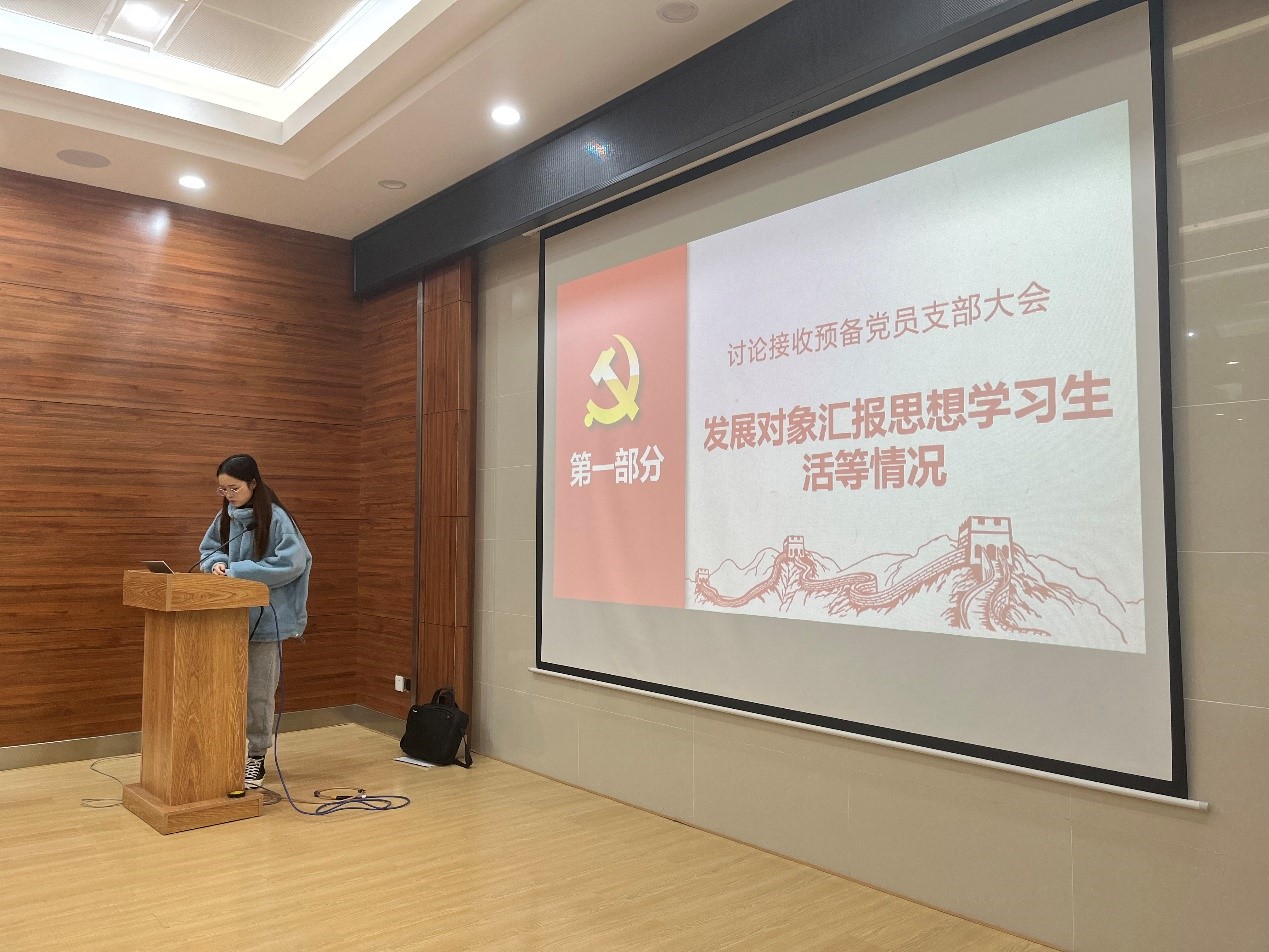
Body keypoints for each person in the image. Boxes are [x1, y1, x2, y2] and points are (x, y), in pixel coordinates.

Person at [198, 454, 312, 790]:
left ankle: (256, 756)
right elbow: (209, 550)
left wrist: (239, 571)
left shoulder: (276, 518)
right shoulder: (226, 517)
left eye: (233, 488)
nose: (228, 495)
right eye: (222, 490)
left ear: (253, 484)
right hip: (228, 620)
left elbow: (293, 563)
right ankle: (223, 750)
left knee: (259, 693)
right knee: (223, 687)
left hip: (265, 621)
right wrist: (217, 564)